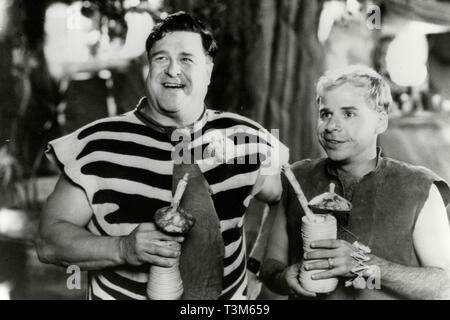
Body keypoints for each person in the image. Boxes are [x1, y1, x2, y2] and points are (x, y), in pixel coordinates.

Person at [36, 11, 288, 300]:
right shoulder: (99, 144)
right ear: (148, 67)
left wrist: (257, 267)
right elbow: (48, 241)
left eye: (186, 59)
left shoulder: (246, 139)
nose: (172, 70)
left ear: (208, 70)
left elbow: (285, 197)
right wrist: (122, 248)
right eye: (161, 58)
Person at [260, 65, 450, 300]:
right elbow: (270, 266)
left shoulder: (419, 187)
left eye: (348, 114)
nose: (331, 126)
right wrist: (284, 278)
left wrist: (363, 264)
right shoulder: (297, 177)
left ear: (381, 121)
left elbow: (442, 285)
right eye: (325, 113)